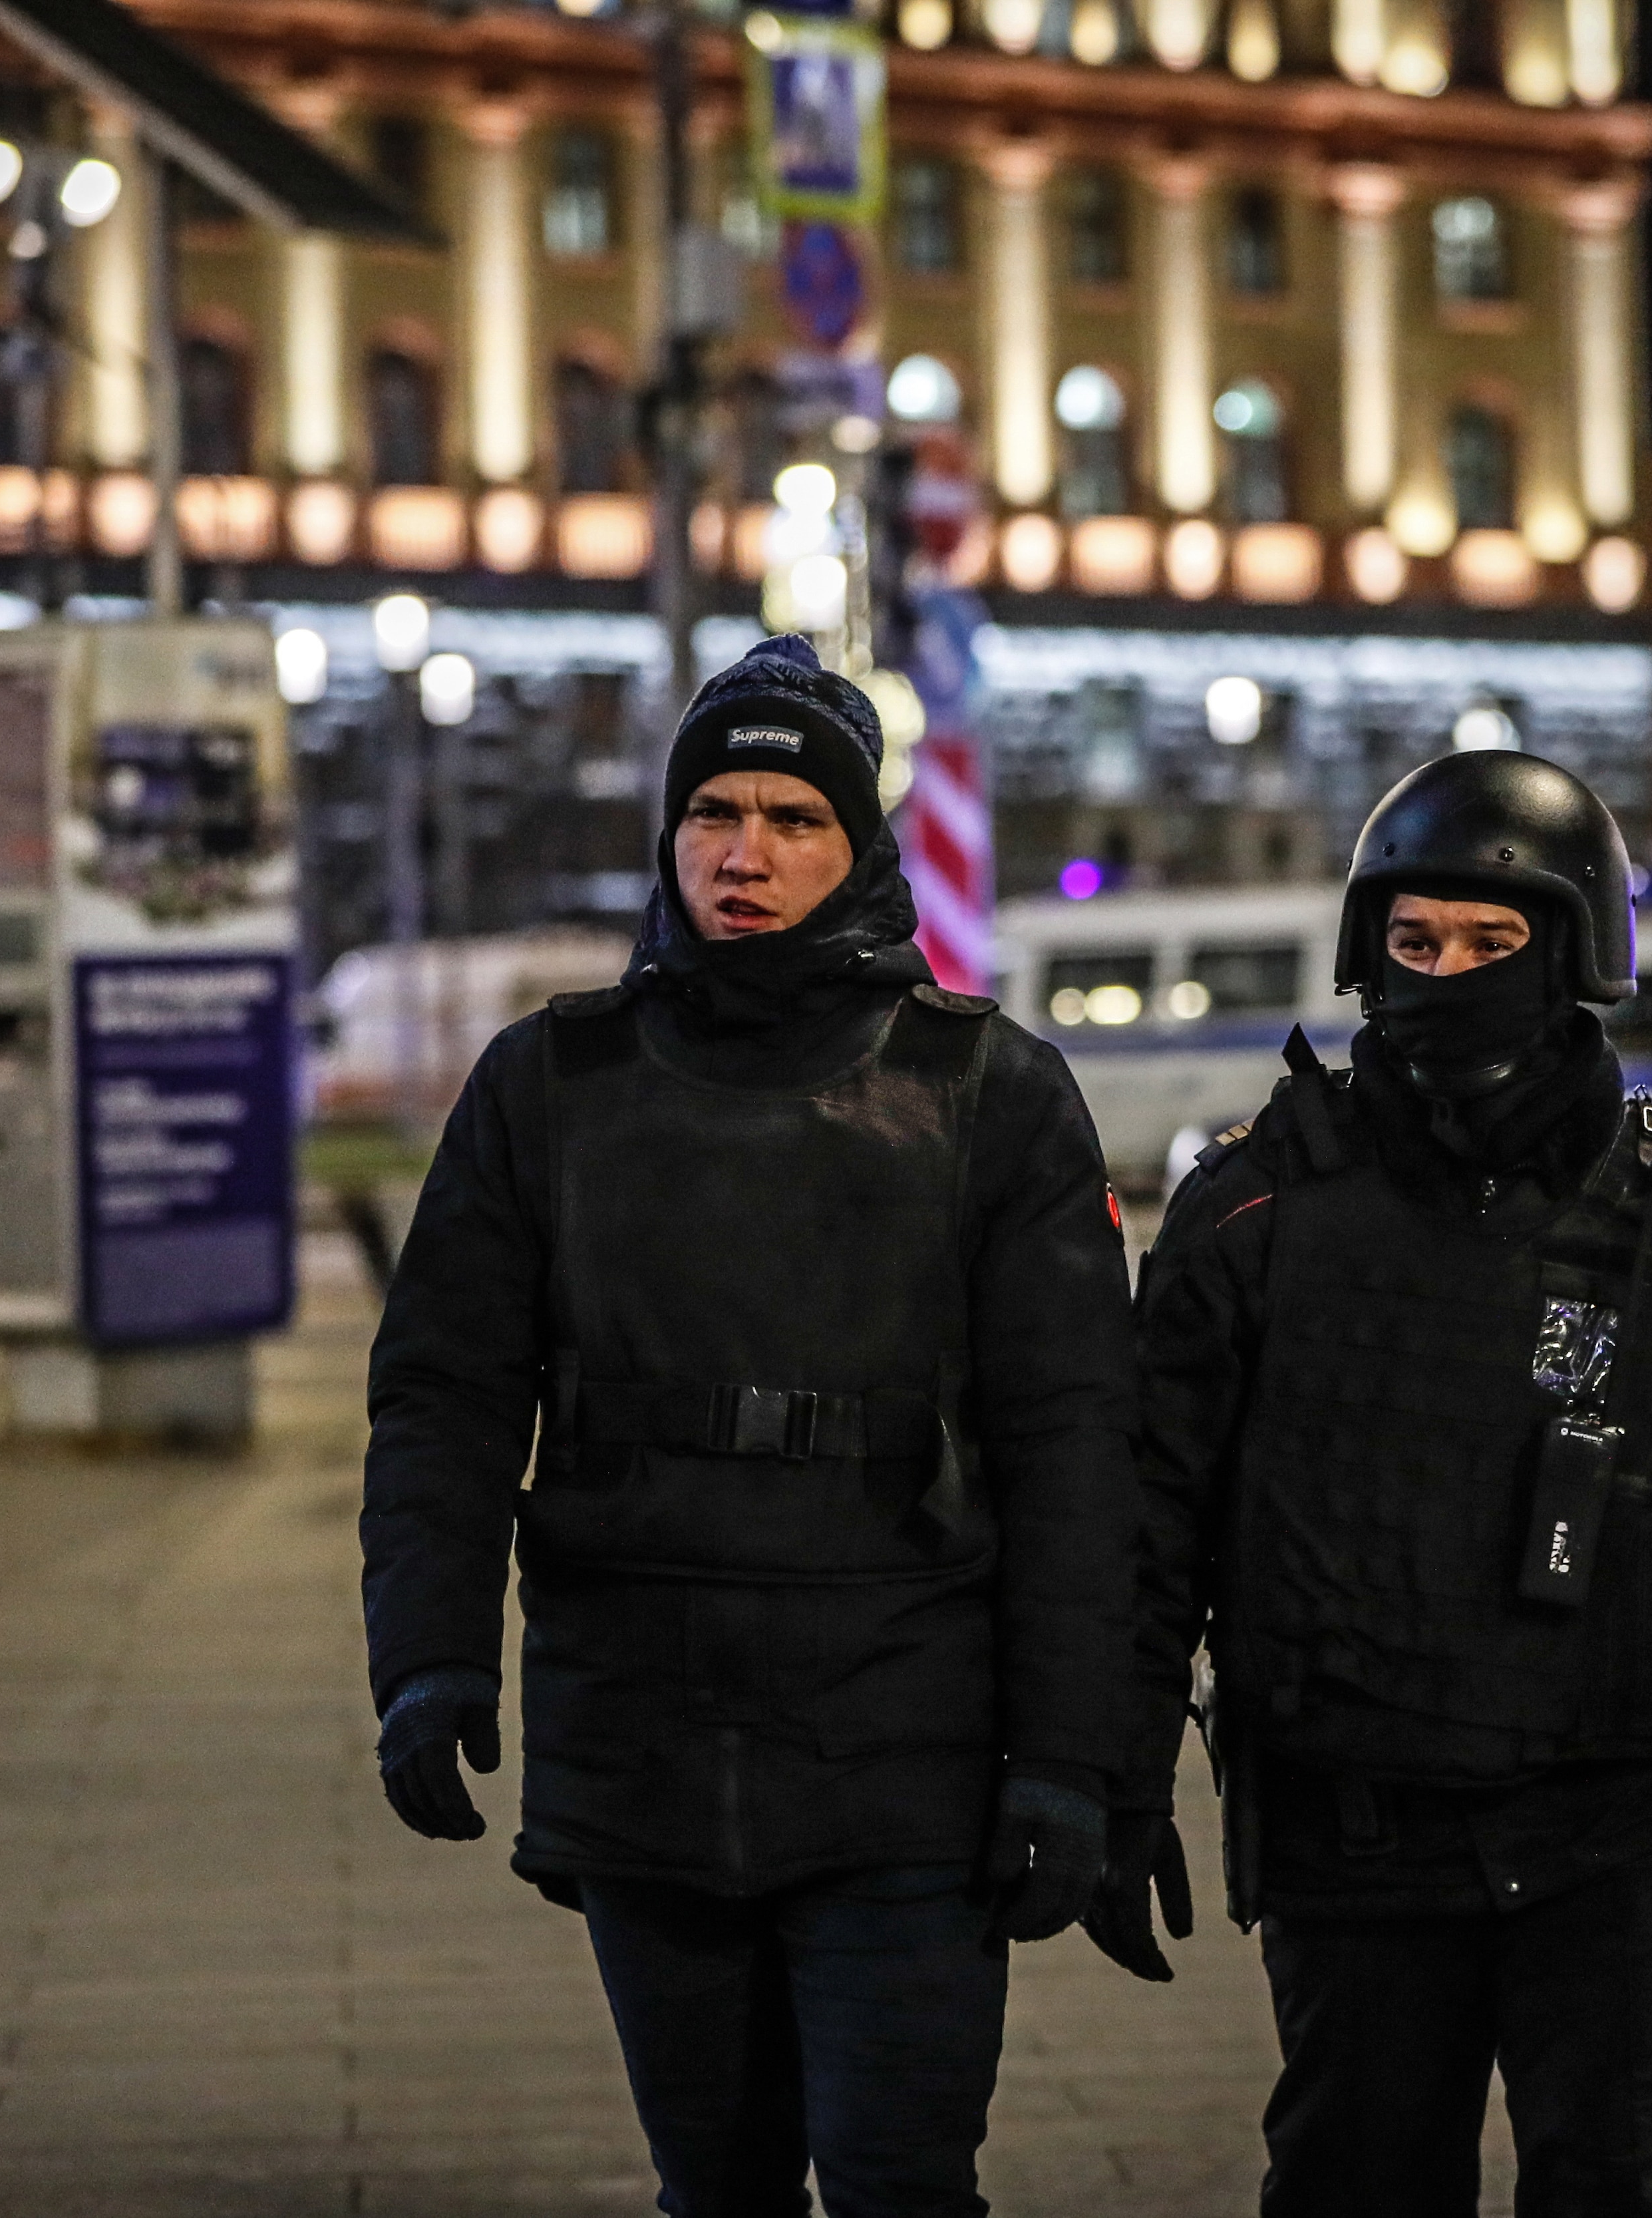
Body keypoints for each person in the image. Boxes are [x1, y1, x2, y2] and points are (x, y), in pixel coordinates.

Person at [359, 636, 1141, 2217]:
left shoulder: (988, 1092)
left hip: (905, 1735)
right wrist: (427, 1653)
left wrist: (1075, 1756)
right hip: (642, 1727)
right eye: (715, 807)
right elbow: (444, 1395)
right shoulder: (548, 1085)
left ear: (860, 852)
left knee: (900, 2176)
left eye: (795, 815)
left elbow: (1076, 1452)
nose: (745, 848)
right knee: (713, 2183)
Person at [1096, 750, 1652, 2218]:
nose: (1443, 974)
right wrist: (1118, 1774)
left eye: (1489, 941)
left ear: (1576, 951)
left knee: (1616, 2187)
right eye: (1412, 942)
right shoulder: (1256, 1206)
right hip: (1352, 1828)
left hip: (1611, 1828)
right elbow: (1150, 1525)